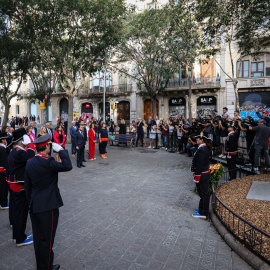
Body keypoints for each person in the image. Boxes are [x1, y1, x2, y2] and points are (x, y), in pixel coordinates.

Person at [25, 134, 72, 270]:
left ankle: (41, 265)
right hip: (48, 207)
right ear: (46, 147)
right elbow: (68, 166)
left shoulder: (30, 162)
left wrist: (31, 203)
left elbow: (27, 187)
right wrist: (62, 151)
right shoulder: (49, 162)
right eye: (50, 146)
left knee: (38, 239)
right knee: (47, 239)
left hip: (34, 206)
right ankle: (46, 267)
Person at [8, 128, 35, 246]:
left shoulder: (14, 151)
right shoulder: (20, 152)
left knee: (17, 212)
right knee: (21, 214)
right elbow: (31, 156)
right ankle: (20, 239)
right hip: (19, 186)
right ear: (21, 140)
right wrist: (29, 144)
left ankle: (18, 235)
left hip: (15, 185)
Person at [191, 133, 212, 219]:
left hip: (202, 174)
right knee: (202, 193)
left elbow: (200, 164)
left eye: (198, 138)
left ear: (202, 140)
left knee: (203, 194)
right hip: (203, 173)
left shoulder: (202, 149)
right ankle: (202, 209)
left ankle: (203, 212)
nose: (196, 139)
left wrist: (197, 175)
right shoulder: (203, 148)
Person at [0, 132, 9, 210]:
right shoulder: (3, 149)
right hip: (2, 171)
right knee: (3, 189)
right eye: (5, 139)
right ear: (2, 140)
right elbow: (4, 162)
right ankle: (3, 203)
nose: (6, 140)